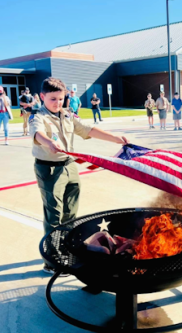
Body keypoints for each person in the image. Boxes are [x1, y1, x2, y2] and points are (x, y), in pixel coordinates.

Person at [29, 77, 129, 274]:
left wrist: (115, 139)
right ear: (42, 97)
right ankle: (52, 260)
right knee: (54, 215)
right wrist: (49, 142)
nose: (58, 103)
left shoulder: (67, 115)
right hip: (49, 169)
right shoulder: (38, 116)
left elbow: (88, 130)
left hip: (69, 166)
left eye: (61, 99)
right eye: (52, 99)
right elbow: (37, 133)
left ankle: (66, 249)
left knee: (71, 213)